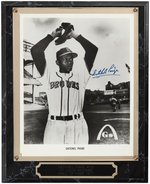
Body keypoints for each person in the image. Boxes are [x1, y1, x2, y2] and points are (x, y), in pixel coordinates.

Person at [31, 23, 98, 144]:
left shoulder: (81, 75)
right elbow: (36, 51)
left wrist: (73, 34)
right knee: (52, 162)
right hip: (54, 126)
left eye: (71, 58)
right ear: (57, 62)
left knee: (80, 162)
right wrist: (52, 35)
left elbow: (92, 50)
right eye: (65, 59)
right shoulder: (48, 74)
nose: (70, 62)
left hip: (78, 124)